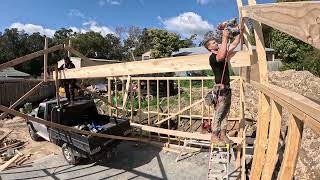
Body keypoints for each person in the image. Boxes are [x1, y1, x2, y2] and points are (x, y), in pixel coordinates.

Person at [204, 27, 242, 144]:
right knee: (219, 113)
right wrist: (224, 36)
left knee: (226, 113)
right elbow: (220, 57)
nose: (216, 43)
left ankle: (223, 134)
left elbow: (235, 44)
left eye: (216, 42)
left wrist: (239, 32)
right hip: (219, 89)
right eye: (213, 43)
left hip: (226, 88)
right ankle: (214, 136)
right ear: (209, 48)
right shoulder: (212, 57)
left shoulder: (223, 53)